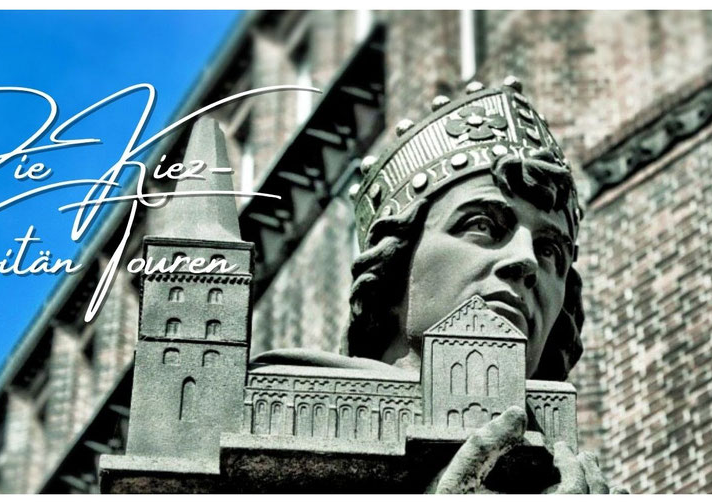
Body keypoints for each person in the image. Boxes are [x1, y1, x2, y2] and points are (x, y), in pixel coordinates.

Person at [255, 77, 617, 493]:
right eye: (482, 225)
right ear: (393, 269)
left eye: (551, 249)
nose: (526, 259)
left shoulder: (577, 480)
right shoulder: (276, 412)